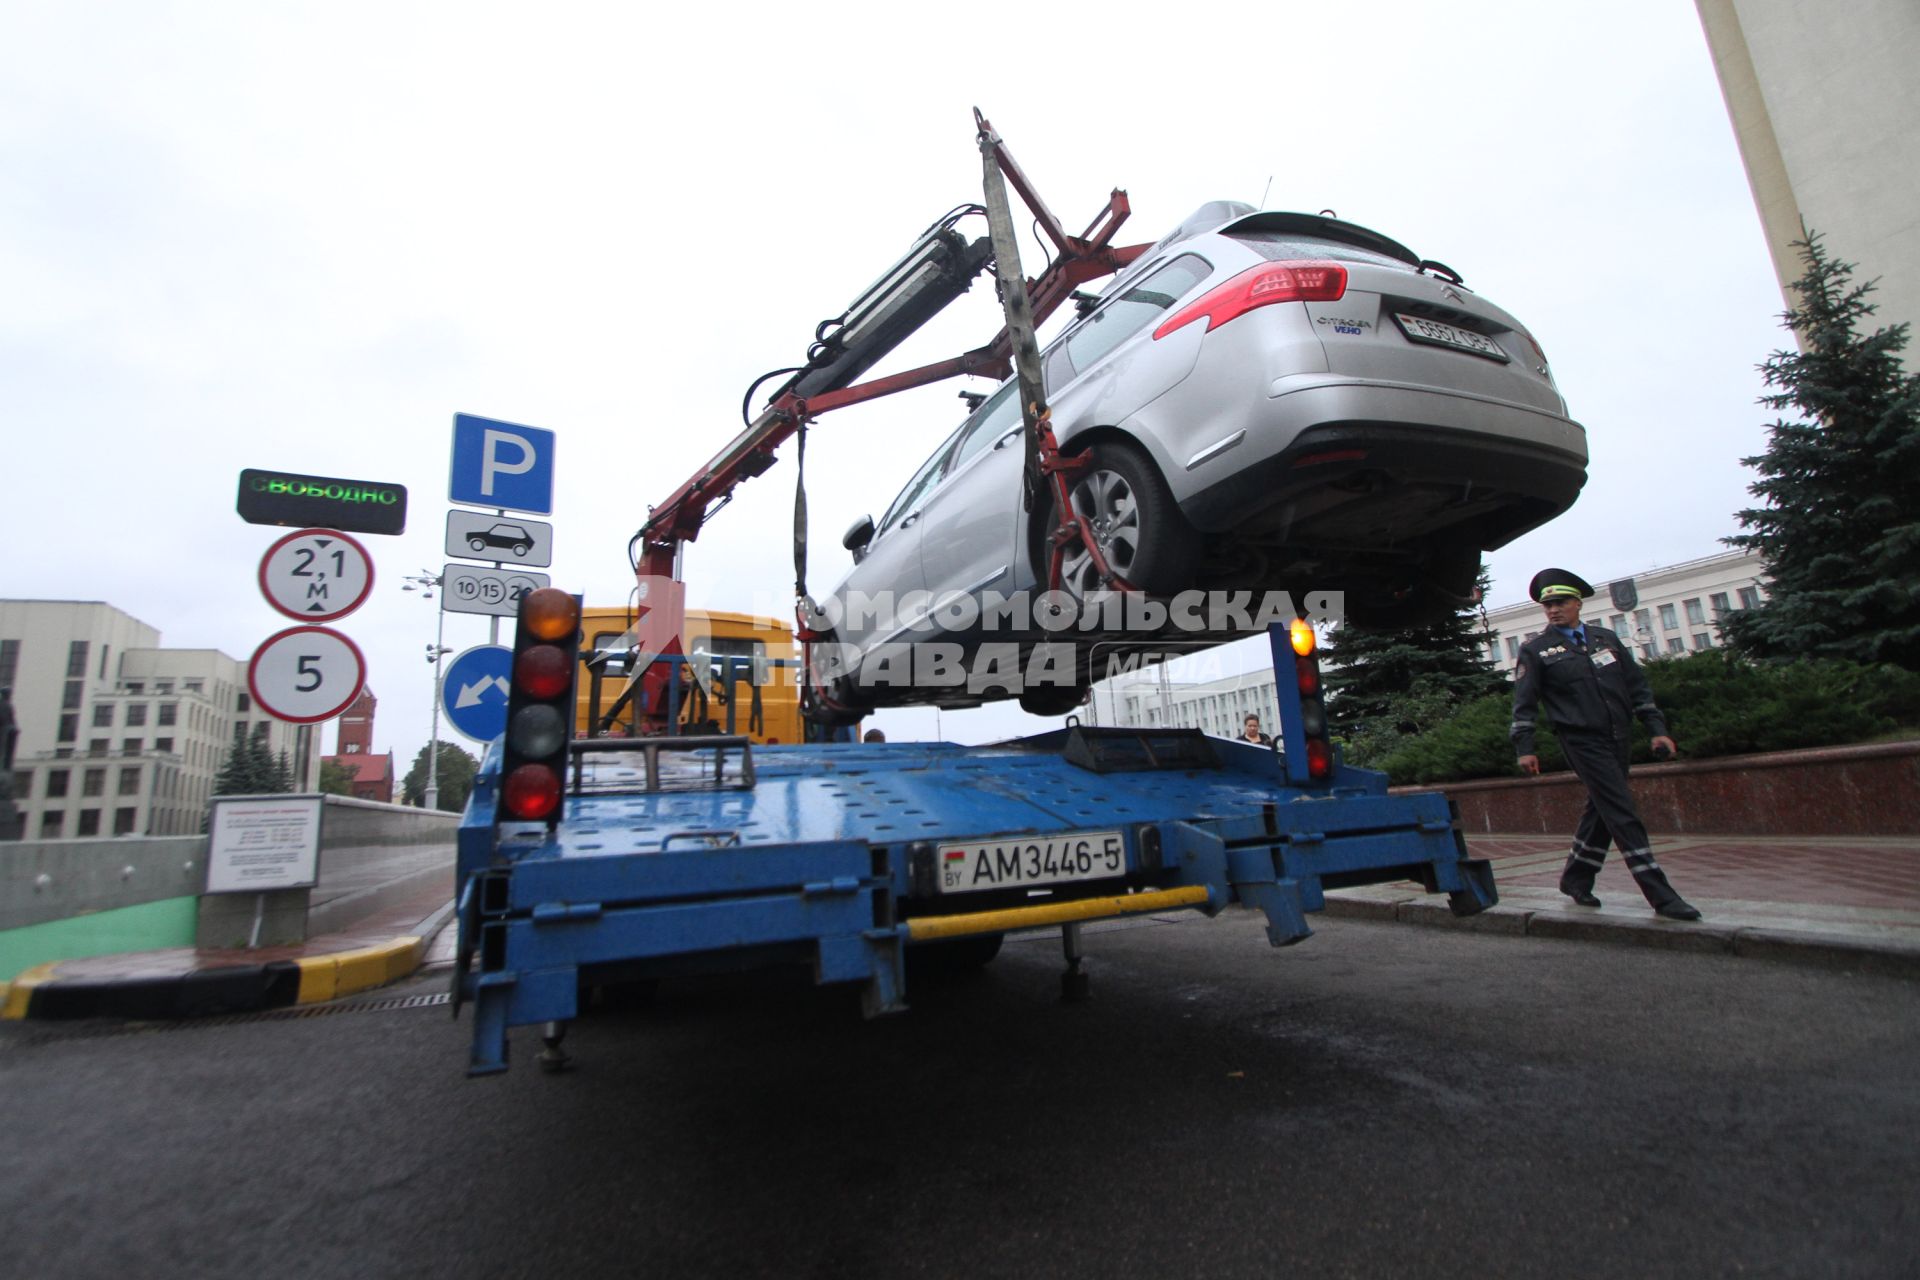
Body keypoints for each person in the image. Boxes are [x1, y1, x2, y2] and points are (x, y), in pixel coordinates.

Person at [1510, 569, 1701, 920]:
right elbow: (1524, 703)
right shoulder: (1536, 650)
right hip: (1581, 740)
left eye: (1560, 603)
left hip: (1618, 736)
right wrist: (1525, 747)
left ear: (1578, 604)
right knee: (1621, 811)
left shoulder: (1605, 639)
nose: (1553, 610)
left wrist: (1656, 728)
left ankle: (1576, 878)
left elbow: (1636, 686)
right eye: (1547, 605)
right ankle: (1661, 896)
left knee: (1601, 808)